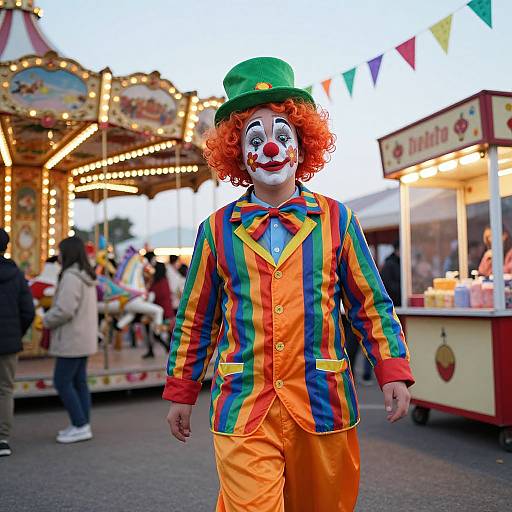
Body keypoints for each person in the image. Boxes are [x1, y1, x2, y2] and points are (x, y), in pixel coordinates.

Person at [164, 57, 414, 512]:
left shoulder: (339, 220)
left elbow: (371, 304)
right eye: (255, 138)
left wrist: (392, 368)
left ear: (302, 145)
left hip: (323, 405)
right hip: (244, 408)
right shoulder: (215, 231)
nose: (271, 148)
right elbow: (195, 320)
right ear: (238, 153)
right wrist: (181, 389)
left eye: (283, 135)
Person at [43, 236, 98, 444]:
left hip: (71, 338)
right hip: (83, 338)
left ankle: (80, 424)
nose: (58, 255)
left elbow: (65, 309)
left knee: (62, 381)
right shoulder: (86, 275)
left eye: (60, 251)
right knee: (79, 381)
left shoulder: (71, 277)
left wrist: (46, 320)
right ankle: (81, 423)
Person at [0, 228, 35, 457]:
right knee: (5, 389)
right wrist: (16, 333)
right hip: (8, 341)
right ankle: (2, 438)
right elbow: (28, 310)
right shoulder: (15, 273)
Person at [144, 262, 174, 358]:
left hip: (162, 311)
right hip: (167, 310)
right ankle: (167, 348)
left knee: (156, 333)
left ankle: (166, 347)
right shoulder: (164, 280)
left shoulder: (158, 282)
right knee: (165, 332)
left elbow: (156, 295)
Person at [381, 240, 401, 307]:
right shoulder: (389, 264)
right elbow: (387, 285)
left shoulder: (400, 263)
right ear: (397, 250)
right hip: (393, 304)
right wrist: (401, 289)